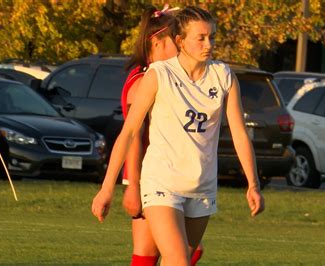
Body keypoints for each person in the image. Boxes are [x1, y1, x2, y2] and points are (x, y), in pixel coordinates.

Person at [92, 6, 265, 265]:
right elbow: (129, 133)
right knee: (178, 260)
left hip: (201, 186)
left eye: (212, 37)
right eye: (201, 37)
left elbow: (239, 133)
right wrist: (107, 189)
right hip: (161, 183)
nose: (209, 44)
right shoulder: (159, 75)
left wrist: (253, 184)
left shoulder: (223, 76)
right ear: (180, 40)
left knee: (189, 255)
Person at [92, 5, 204, 266]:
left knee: (151, 254)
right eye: (176, 42)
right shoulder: (145, 79)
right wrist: (133, 186)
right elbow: (132, 135)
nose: (181, 48)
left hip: (163, 175)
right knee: (175, 254)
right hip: (149, 179)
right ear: (156, 41)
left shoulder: (162, 76)